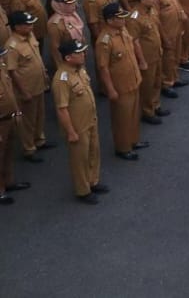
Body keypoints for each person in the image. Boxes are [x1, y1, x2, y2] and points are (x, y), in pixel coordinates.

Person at [52, 38, 108, 204]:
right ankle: (83, 190)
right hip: (77, 126)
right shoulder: (62, 79)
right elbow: (62, 109)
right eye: (79, 53)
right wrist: (70, 132)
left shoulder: (80, 70)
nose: (84, 54)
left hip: (90, 120)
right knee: (79, 159)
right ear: (68, 58)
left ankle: (93, 181)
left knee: (93, 152)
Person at [95, 3, 145, 161]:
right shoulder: (104, 41)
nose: (123, 20)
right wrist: (110, 90)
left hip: (133, 80)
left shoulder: (122, 30)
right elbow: (103, 68)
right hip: (120, 86)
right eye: (119, 17)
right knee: (121, 119)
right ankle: (123, 148)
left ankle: (133, 140)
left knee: (133, 114)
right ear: (110, 20)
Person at [5, 11, 50, 161]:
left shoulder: (29, 37)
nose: (31, 26)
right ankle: (29, 148)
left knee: (39, 114)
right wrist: (23, 91)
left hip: (39, 84)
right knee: (27, 120)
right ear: (17, 27)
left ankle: (39, 139)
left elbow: (37, 58)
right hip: (27, 88)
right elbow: (12, 71)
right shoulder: (12, 46)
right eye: (27, 24)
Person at [0, 42, 24, 204]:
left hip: (9, 116)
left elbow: (9, 92)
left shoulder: (1, 68)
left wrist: (16, 110)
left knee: (8, 153)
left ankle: (8, 182)